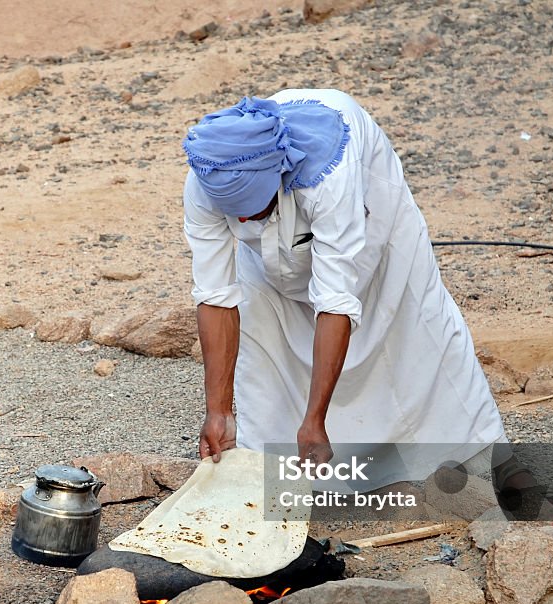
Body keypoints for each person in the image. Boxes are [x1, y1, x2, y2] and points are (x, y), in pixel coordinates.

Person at [182, 89, 508, 499]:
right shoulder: (207, 178)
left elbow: (335, 299)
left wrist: (316, 419)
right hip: (270, 265)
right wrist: (218, 410)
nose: (244, 220)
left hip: (371, 237)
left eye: (254, 210)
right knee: (264, 346)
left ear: (276, 177)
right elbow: (215, 296)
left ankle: (475, 477)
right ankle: (273, 487)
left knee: (410, 336)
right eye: (237, 216)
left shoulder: (329, 174)